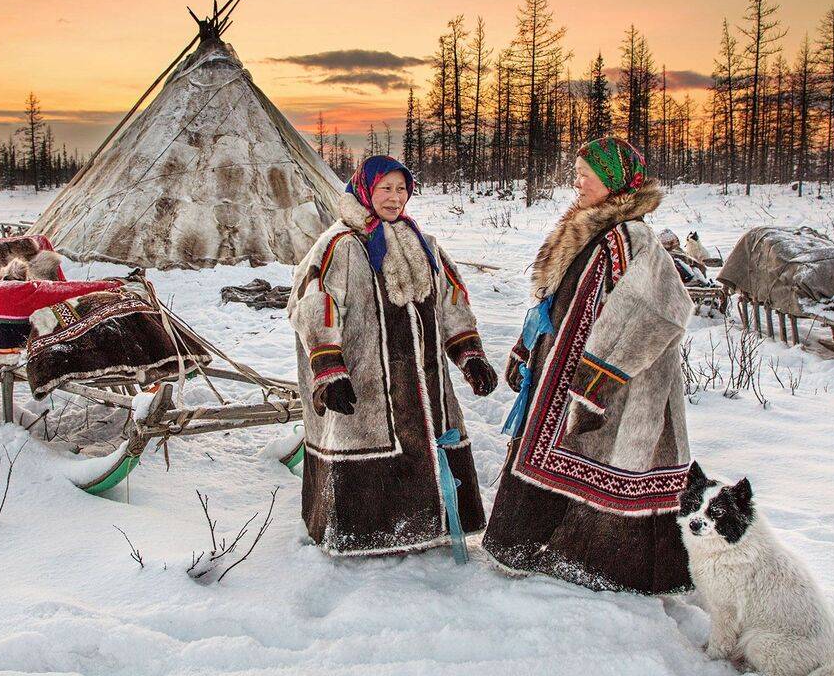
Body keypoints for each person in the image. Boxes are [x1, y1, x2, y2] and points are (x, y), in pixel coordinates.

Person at [482, 137, 695, 593]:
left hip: (615, 385)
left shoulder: (633, 238)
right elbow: (552, 299)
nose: (576, 182)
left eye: (586, 175)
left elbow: (658, 311)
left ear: (614, 181)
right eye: (576, 173)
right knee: (560, 450)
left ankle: (605, 563)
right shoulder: (586, 229)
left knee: (606, 455)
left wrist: (597, 381)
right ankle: (538, 546)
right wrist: (526, 347)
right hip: (560, 364)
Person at [289, 155, 498, 556]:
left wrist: (469, 355)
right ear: (366, 189)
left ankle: (422, 529)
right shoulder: (340, 244)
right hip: (366, 380)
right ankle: (368, 537)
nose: (394, 197)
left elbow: (451, 300)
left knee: (426, 438)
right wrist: (329, 369)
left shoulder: (423, 243)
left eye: (401, 188)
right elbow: (313, 303)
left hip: (426, 377)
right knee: (373, 438)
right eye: (385, 188)